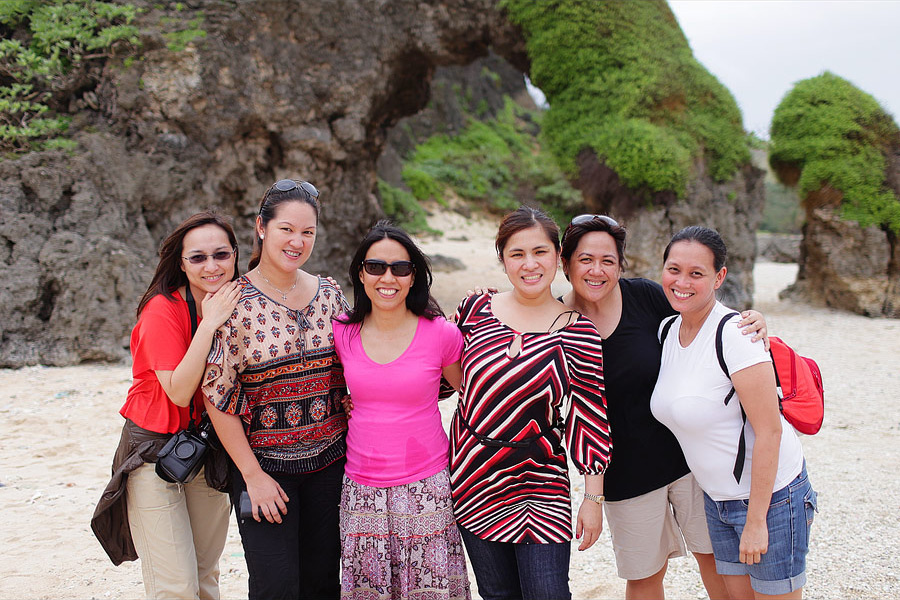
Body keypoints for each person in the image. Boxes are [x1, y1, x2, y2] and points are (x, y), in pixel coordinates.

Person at [558, 215, 767, 600]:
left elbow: (703, 326)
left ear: (621, 264)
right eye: (585, 259)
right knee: (644, 577)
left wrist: (750, 321)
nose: (597, 270)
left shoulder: (646, 296)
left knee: (718, 561)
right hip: (623, 475)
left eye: (608, 260)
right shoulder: (555, 324)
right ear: (565, 261)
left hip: (689, 461)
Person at [449, 205, 611, 600]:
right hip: (474, 475)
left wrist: (592, 498)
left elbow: (589, 416)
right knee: (497, 593)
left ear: (558, 257)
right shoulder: (474, 310)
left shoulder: (578, 331)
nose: (530, 264)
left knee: (548, 593)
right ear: (503, 260)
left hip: (542, 480)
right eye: (517, 254)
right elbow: (435, 378)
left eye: (540, 252)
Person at [650, 226, 816, 599]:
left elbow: (770, 431)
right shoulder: (666, 331)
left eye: (697, 273)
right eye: (674, 269)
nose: (682, 282)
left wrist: (757, 520)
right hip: (718, 499)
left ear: (719, 277)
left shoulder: (736, 335)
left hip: (772, 498)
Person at [202, 179, 349, 600]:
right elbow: (219, 397)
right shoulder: (233, 303)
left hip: (331, 465)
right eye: (287, 229)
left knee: (323, 584)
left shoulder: (330, 295)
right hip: (266, 469)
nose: (297, 241)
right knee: (275, 588)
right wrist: (253, 477)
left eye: (308, 232)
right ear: (261, 228)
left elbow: (361, 360)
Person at [91, 211, 241, 599]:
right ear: (181, 262)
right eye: (198, 257)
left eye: (221, 255)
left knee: (206, 576)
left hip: (207, 447)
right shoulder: (162, 310)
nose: (212, 266)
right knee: (176, 585)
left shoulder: (241, 303)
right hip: (152, 451)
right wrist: (208, 325)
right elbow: (177, 390)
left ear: (236, 256)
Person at [333, 220, 471, 600]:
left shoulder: (441, 333)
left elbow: (472, 393)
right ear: (361, 274)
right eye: (376, 266)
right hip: (361, 489)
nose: (387, 277)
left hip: (427, 485)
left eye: (401, 268)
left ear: (414, 277)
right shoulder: (342, 332)